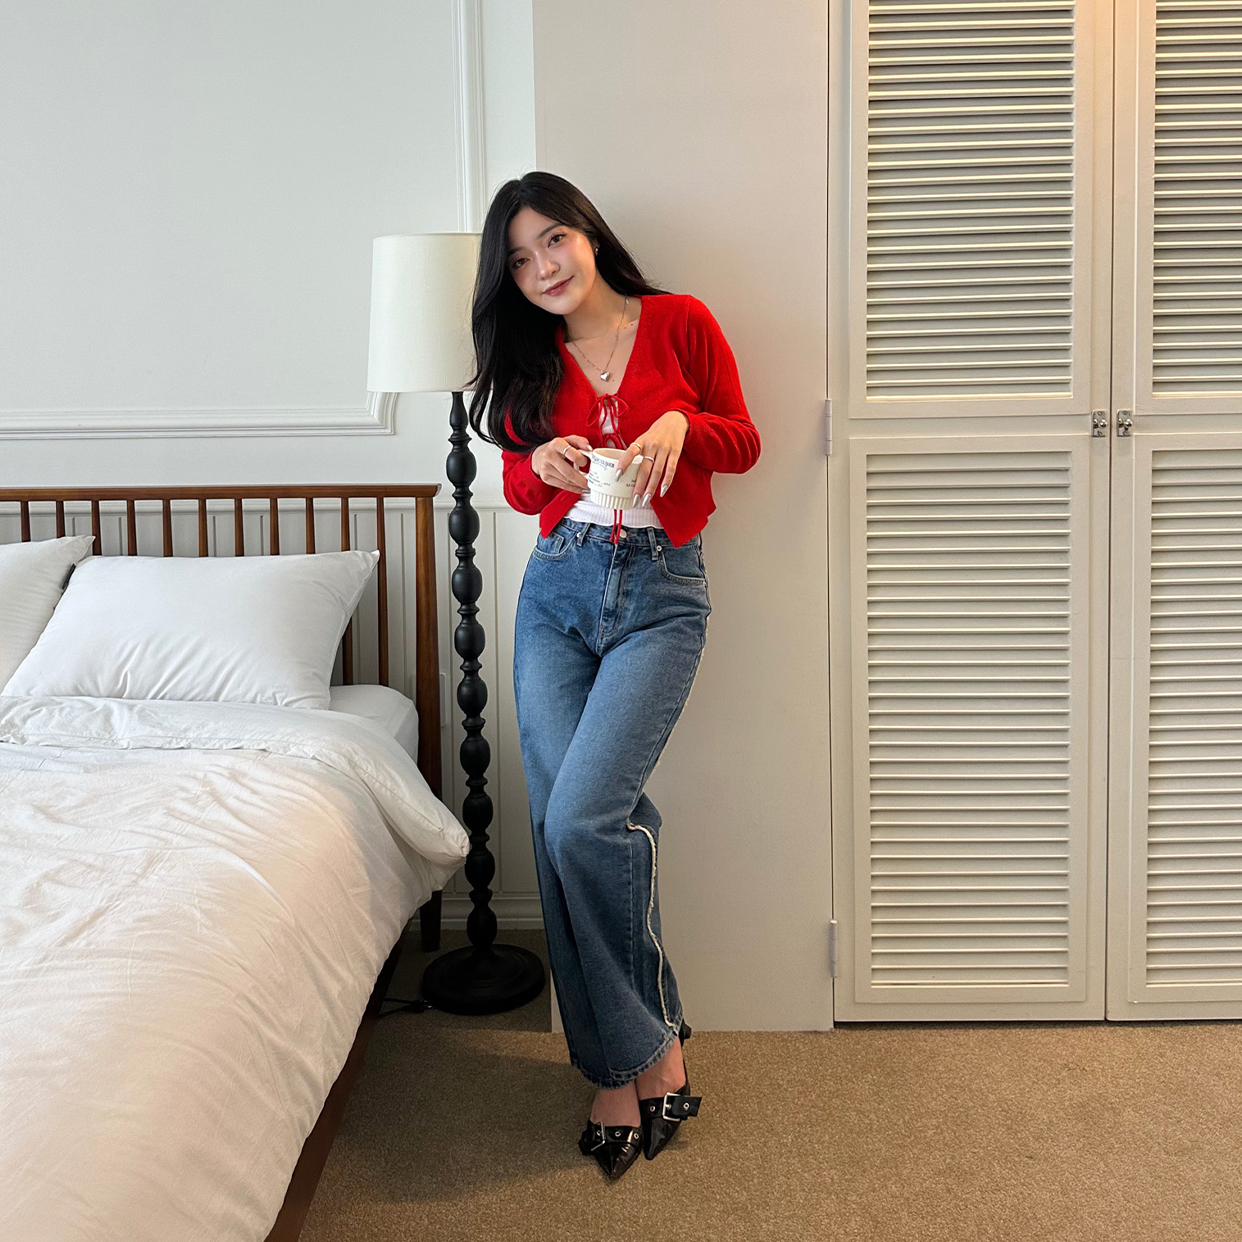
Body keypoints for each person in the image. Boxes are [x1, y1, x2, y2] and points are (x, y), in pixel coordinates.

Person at [467, 170, 760, 1180]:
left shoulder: (680, 322)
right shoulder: (527, 355)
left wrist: (684, 427)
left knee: (586, 821)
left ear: (587, 233)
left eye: (553, 240)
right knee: (562, 827)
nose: (543, 267)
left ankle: (642, 1043)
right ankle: (628, 1064)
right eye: (519, 259)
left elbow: (744, 441)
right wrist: (539, 466)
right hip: (556, 590)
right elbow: (517, 481)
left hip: (660, 595)